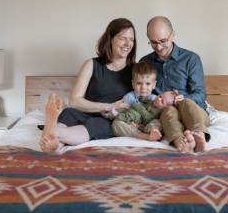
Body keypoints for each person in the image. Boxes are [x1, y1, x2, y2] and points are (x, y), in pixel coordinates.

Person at [38, 18, 137, 154]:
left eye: (131, 39)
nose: (128, 44)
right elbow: (74, 101)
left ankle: (55, 136)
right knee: (68, 113)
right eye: (123, 38)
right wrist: (108, 106)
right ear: (110, 39)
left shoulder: (136, 71)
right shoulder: (91, 65)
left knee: (97, 125)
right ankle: (54, 140)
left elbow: (143, 98)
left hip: (108, 119)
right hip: (84, 112)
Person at [139, 17, 209, 154]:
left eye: (163, 41)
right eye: (153, 42)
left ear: (173, 34)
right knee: (168, 111)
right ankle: (181, 143)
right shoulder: (144, 63)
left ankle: (199, 136)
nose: (159, 47)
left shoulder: (191, 59)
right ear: (148, 37)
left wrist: (183, 98)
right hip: (165, 116)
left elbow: (200, 94)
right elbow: (140, 94)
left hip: (194, 113)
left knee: (187, 103)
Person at [100, 62, 179, 141]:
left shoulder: (155, 99)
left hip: (148, 125)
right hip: (131, 125)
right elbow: (122, 112)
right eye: (139, 83)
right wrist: (130, 122)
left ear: (154, 85)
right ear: (133, 84)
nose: (143, 88)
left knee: (157, 121)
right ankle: (145, 136)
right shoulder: (128, 98)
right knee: (116, 123)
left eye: (148, 84)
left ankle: (154, 132)